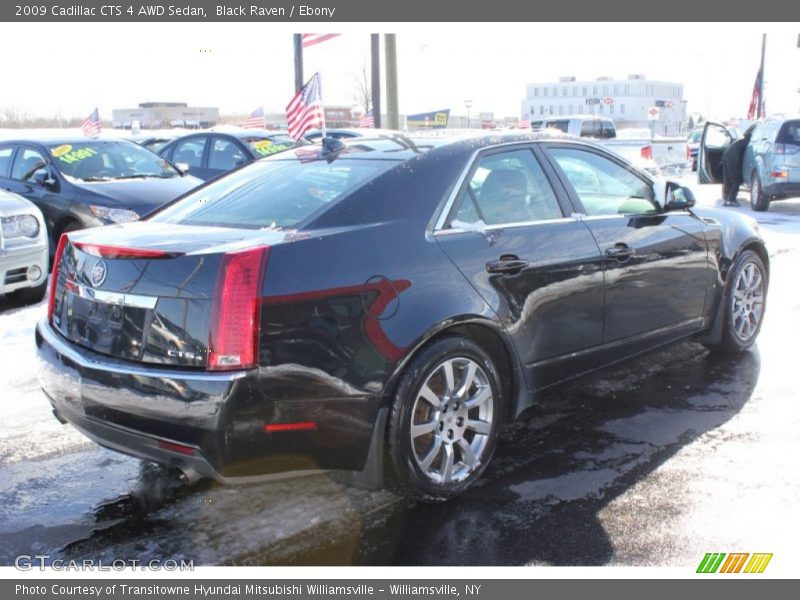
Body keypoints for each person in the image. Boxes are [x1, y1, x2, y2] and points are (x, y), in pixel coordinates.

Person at [721, 127, 754, 207]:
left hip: (727, 155)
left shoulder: (741, 141)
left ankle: (727, 198)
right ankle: (732, 199)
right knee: (736, 180)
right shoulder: (749, 143)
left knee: (728, 179)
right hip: (733, 158)